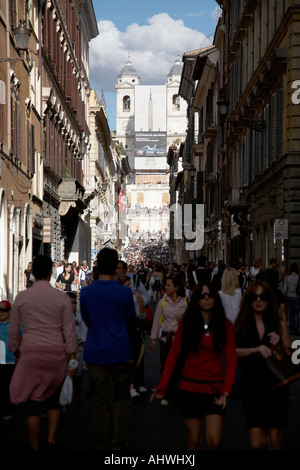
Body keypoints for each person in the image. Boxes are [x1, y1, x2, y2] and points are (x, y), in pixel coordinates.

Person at [150, 281, 237, 450]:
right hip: (190, 388)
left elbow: (231, 358)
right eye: (202, 295)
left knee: (214, 441)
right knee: (194, 440)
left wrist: (227, 389)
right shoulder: (187, 323)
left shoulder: (224, 325)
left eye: (210, 295)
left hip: (214, 388)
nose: (206, 299)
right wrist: (163, 386)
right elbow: (174, 355)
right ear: (196, 299)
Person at [8, 255, 78, 450]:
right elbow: (69, 329)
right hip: (55, 353)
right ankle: (51, 439)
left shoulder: (22, 297)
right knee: (53, 398)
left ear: (33, 273)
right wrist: (72, 355)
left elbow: (14, 329)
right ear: (50, 273)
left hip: (30, 352)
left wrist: (14, 350)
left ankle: (34, 445)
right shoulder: (61, 298)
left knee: (32, 402)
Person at [80, 248, 136, 450]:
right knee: (121, 399)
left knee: (99, 401)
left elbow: (87, 319)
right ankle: (119, 441)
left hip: (95, 351)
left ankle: (101, 442)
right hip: (121, 350)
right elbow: (130, 317)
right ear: (115, 267)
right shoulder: (124, 292)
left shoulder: (86, 292)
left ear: (97, 265)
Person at [234, 280, 290, 450]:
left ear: (268, 300)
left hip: (276, 387)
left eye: (263, 297)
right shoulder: (242, 323)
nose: (258, 300)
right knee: (257, 443)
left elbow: (291, 356)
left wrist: (279, 343)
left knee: (273, 440)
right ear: (249, 299)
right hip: (252, 387)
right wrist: (254, 349)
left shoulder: (279, 323)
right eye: (254, 296)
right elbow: (233, 351)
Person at [150, 274, 188, 405]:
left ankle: (177, 393)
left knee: (180, 368)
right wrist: (153, 339)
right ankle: (166, 392)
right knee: (165, 367)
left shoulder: (185, 302)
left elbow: (193, 321)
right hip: (166, 340)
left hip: (181, 340)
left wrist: (184, 321)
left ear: (176, 287)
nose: (165, 287)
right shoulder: (162, 302)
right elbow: (156, 322)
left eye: (168, 285)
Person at [0, 301, 19, 424]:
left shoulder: (16, 325)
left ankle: (8, 413)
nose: (1, 312)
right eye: (0, 310)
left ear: (10, 311)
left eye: (5, 310)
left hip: (11, 362)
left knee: (7, 388)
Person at [282, 263, 300, 335]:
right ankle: (296, 327)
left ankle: (292, 328)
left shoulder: (287, 277)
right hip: (297, 297)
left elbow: (285, 288)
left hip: (289, 296)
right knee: (296, 313)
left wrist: (282, 296)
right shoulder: (298, 277)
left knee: (291, 313)